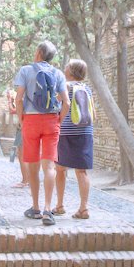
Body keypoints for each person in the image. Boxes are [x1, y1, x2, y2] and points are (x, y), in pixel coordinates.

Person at [13, 41, 69, 226]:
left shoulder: (26, 71)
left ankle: (35, 208)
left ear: (38, 52)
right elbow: (66, 103)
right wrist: (58, 120)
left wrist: (22, 120)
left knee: (33, 166)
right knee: (50, 167)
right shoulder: (58, 73)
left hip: (30, 120)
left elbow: (19, 98)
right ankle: (47, 210)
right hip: (51, 120)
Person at [54, 59, 94, 219]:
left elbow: (56, 102)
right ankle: (84, 208)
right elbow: (93, 114)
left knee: (60, 169)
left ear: (71, 71)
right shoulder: (87, 89)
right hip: (85, 132)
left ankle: (59, 206)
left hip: (65, 133)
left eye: (67, 66)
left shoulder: (66, 86)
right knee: (81, 171)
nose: (65, 68)